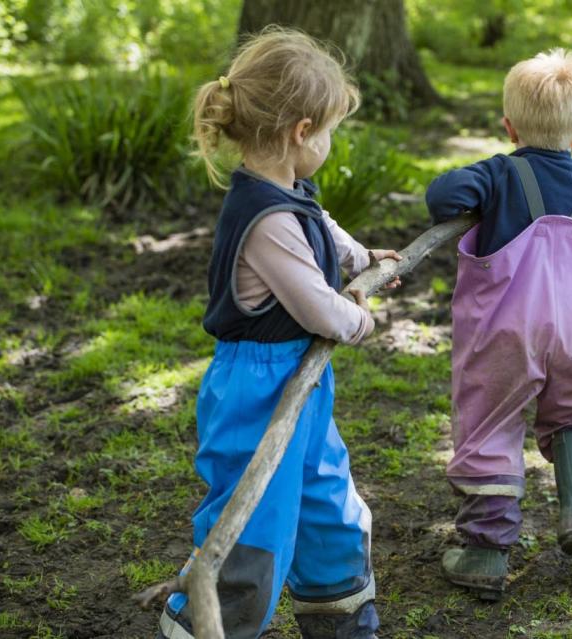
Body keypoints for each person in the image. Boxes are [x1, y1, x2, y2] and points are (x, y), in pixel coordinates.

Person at [158, 28, 402, 639]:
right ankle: (203, 627)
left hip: (300, 379)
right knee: (253, 528)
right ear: (302, 131)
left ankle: (340, 614)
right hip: (255, 386)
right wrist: (361, 317)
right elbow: (321, 310)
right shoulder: (263, 219)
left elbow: (322, 227)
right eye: (328, 133)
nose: (327, 144)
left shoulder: (286, 194)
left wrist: (361, 258)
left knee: (328, 501)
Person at [425, 48, 572, 600]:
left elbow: (442, 197)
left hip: (505, 333)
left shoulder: (498, 175)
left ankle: (484, 549)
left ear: (508, 126)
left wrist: (480, 182)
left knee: (490, 422)